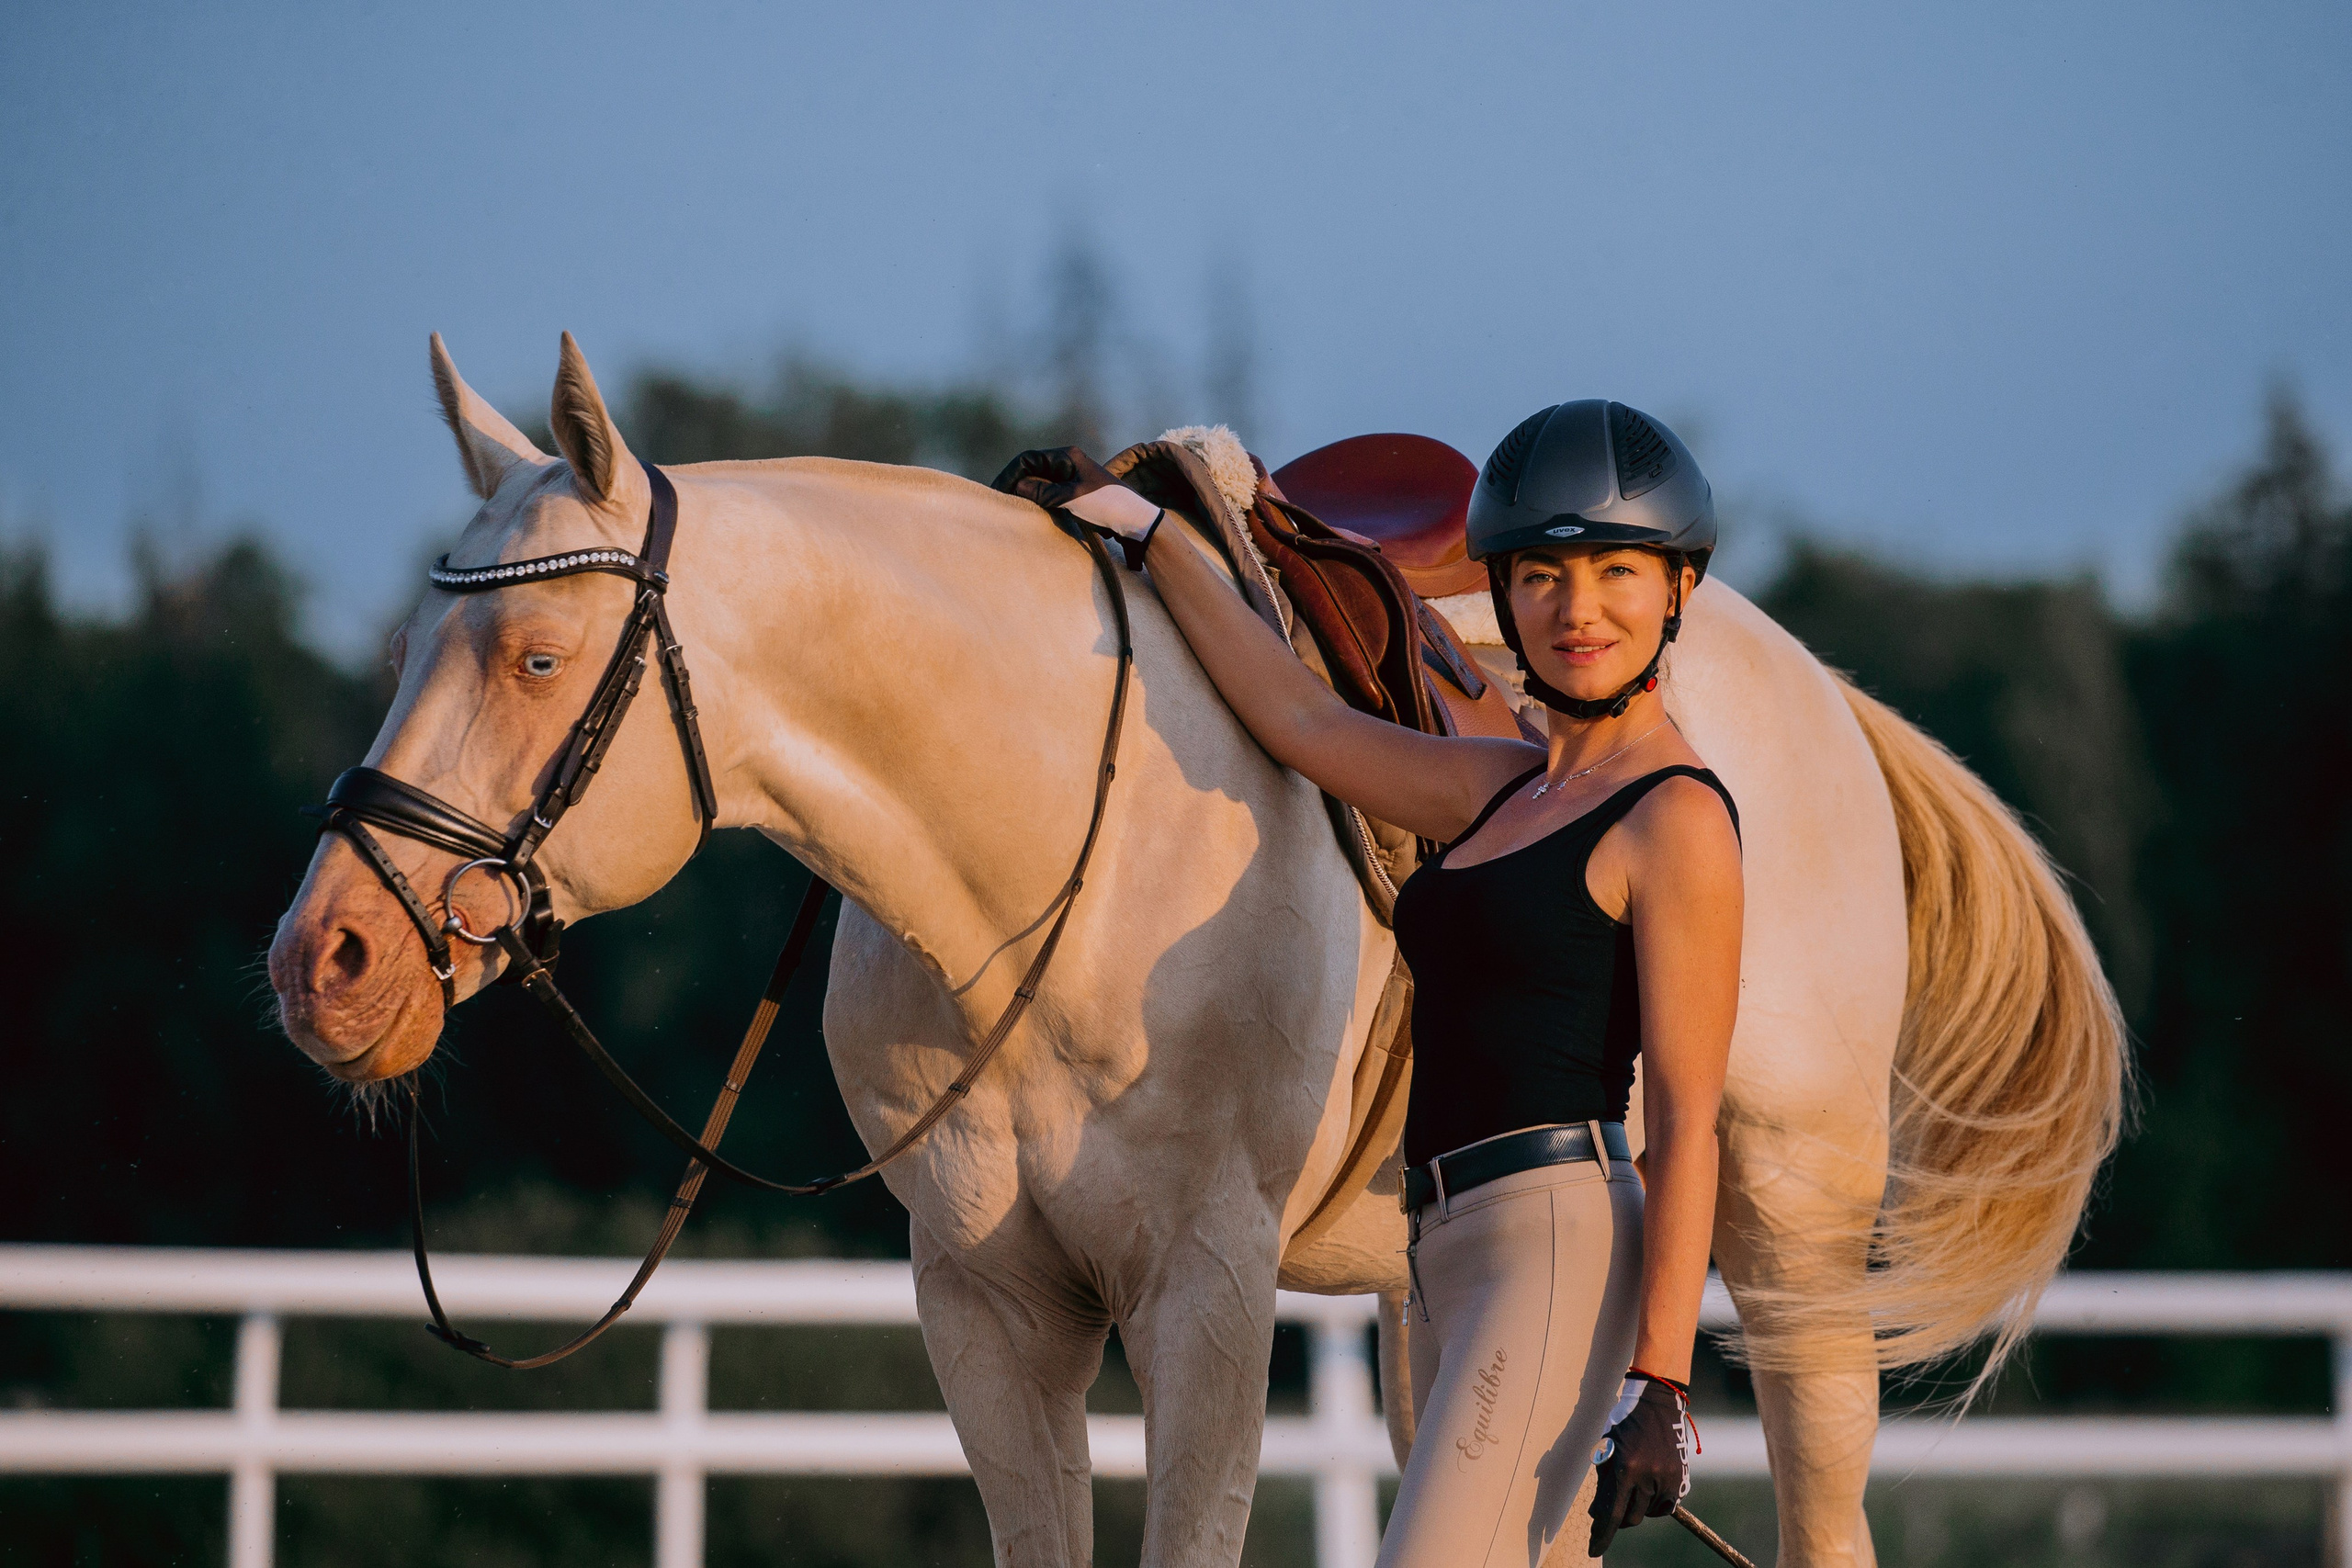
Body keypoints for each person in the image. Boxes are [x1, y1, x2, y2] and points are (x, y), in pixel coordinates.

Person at [1004, 400, 1741, 1565]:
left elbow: (1691, 1123)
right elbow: (1298, 716)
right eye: (1541, 575)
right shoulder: (1499, 787)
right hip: (1438, 1251)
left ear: (1676, 592)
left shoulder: (1677, 819)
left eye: (1615, 571)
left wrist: (1665, 1382)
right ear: (1502, 595)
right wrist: (1150, 534)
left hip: (1554, 1243)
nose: (1577, 608)